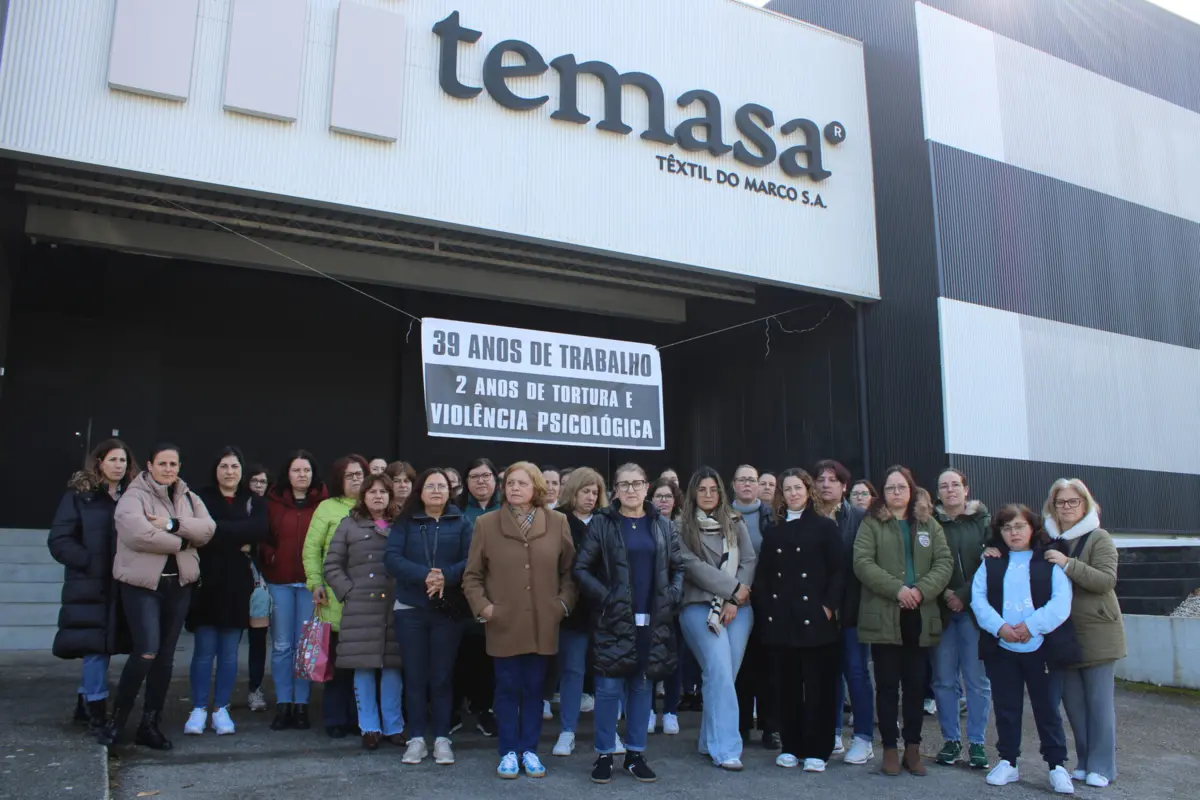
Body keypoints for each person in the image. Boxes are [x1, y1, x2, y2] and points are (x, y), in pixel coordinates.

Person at [462, 462, 578, 780]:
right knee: (507, 688)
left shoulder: (557, 522)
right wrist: (484, 608)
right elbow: (472, 576)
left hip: (544, 622)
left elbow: (570, 573)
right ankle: (508, 752)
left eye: (521, 483)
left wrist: (562, 605)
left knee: (534, 689)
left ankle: (530, 750)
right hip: (504, 623)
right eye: (509, 483)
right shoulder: (486, 524)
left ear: (536, 489)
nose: (513, 488)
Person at [99, 444, 215, 749]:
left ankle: (149, 724)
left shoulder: (188, 496)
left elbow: (208, 530)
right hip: (142, 587)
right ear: (150, 465)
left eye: (173, 463)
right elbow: (137, 534)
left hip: (179, 585)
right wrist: (182, 543)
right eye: (162, 463)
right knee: (146, 652)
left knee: (164, 657)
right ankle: (117, 721)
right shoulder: (133, 496)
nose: (168, 469)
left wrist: (171, 525)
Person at [575, 463, 683, 784]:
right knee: (608, 689)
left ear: (647, 487)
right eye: (624, 485)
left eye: (637, 483)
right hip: (613, 619)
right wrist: (606, 598)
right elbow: (581, 569)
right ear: (615, 490)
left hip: (653, 619)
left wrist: (672, 596)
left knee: (641, 686)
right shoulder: (603, 523)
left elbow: (678, 567)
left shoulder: (663, 525)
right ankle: (605, 754)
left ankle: (635, 753)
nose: (631, 490)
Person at [853, 465, 952, 777]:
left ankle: (913, 748)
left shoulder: (928, 523)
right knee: (886, 684)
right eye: (890, 487)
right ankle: (890, 749)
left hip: (919, 614)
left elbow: (944, 562)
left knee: (914, 685)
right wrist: (898, 589)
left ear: (911, 490)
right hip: (886, 611)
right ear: (883, 492)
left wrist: (921, 591)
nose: (896, 493)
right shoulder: (872, 523)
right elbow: (862, 562)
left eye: (901, 487)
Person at [972, 505, 1077, 795]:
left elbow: (1060, 601)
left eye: (1019, 526)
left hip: (1040, 646)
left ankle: (1056, 765)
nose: (1013, 532)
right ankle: (1008, 761)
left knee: (1047, 708)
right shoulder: (991, 562)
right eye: (1006, 527)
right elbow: (978, 600)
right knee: (1006, 707)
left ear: (1032, 528)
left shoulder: (1048, 560)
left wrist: (1032, 626)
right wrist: (1000, 628)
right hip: (1002, 646)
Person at [754, 468, 844, 772]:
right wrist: (768, 610)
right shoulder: (775, 530)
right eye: (787, 489)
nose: (793, 493)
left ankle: (819, 749)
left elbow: (838, 571)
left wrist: (828, 608)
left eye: (798, 488)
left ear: (808, 491)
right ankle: (791, 745)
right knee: (787, 686)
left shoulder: (824, 527)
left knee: (819, 688)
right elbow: (764, 576)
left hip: (816, 621)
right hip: (782, 621)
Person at [48, 439, 138, 734]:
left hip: (122, 584)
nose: (118, 466)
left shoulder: (133, 497)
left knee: (105, 647)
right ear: (99, 461)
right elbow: (60, 539)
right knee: (96, 648)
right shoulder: (80, 495)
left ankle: (84, 702)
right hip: (89, 586)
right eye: (112, 459)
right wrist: (89, 562)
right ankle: (97, 710)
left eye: (123, 461)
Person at [386, 468, 473, 765]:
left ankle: (442, 738)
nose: (436, 490)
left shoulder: (461, 522)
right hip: (411, 608)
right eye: (430, 486)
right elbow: (392, 558)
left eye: (442, 486)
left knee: (442, 676)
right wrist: (426, 576)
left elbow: (471, 560)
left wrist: (444, 577)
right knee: (415, 676)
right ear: (420, 491)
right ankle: (416, 738)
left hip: (447, 610)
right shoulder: (405, 522)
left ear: (450, 492)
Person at [1042, 479, 1124, 789]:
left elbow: (1105, 580)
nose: (1066, 507)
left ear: (1085, 504)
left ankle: (1103, 766)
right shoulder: (1048, 539)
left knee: (1099, 704)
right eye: (1060, 502)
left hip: (1099, 634)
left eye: (1072, 501)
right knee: (1074, 704)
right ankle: (1086, 761)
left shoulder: (1098, 537)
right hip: (1064, 635)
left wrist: (1068, 564)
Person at [676, 467, 756, 771]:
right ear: (693, 493)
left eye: (713, 489)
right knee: (720, 670)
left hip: (739, 608)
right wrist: (732, 590)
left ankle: (709, 739)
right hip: (699, 607)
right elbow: (692, 566)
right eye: (702, 490)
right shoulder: (680, 526)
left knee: (723, 676)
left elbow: (748, 560)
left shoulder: (736, 521)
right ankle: (726, 748)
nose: (708, 495)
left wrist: (736, 598)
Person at [185, 447, 269, 737]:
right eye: (224, 466)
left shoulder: (253, 501)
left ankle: (221, 709)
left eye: (234, 466)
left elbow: (259, 529)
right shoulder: (199, 497)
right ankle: (198, 709)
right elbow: (196, 530)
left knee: (230, 652)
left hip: (238, 583)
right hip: (205, 581)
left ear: (242, 470)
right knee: (204, 651)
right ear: (215, 469)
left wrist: (216, 532)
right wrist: (234, 535)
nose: (230, 471)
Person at [324, 473, 406, 750]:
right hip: (360, 608)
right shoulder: (349, 524)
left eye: (383, 492)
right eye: (372, 492)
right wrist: (348, 591)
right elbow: (332, 565)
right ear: (363, 496)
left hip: (393, 605)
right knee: (364, 668)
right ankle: (369, 726)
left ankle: (394, 726)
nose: (378, 496)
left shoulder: (400, 524)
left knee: (393, 667)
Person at [261, 450, 328, 732]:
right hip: (280, 582)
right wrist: (270, 556)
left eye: (307, 470)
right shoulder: (272, 503)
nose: (302, 475)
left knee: (306, 646)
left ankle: (302, 705)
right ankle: (283, 704)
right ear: (287, 474)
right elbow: (261, 536)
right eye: (296, 470)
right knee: (281, 646)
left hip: (311, 585)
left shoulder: (324, 504)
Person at [302, 454, 368, 738]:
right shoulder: (327, 508)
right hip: (334, 596)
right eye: (350, 475)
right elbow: (311, 549)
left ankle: (360, 718)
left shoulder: (375, 505)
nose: (356, 479)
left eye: (360, 474)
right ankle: (334, 719)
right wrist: (314, 582)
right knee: (337, 665)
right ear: (339, 480)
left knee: (362, 665)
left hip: (368, 598)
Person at [812, 459, 871, 763]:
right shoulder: (807, 518)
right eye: (820, 479)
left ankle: (863, 736)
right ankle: (832, 732)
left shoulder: (860, 518)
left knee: (856, 672)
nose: (825, 484)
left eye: (832, 480)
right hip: (819, 610)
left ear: (844, 486)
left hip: (851, 608)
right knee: (828, 674)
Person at [931, 468, 991, 769]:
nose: (950, 490)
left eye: (955, 485)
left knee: (976, 680)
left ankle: (977, 743)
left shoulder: (983, 523)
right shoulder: (930, 523)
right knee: (943, 680)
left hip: (973, 613)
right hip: (941, 612)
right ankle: (951, 740)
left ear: (966, 490)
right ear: (937, 492)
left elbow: (991, 562)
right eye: (944, 486)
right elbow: (925, 563)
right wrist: (945, 594)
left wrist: (963, 595)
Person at [552, 467, 609, 757]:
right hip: (572, 610)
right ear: (572, 491)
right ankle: (567, 731)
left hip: (604, 609)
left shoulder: (607, 520)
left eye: (594, 491)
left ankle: (609, 732)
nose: (590, 497)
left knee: (605, 672)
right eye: (584, 491)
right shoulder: (558, 519)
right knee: (572, 671)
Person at [729, 464, 776, 748]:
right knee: (740, 663)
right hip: (735, 597)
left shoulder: (770, 516)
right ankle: (741, 724)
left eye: (752, 480)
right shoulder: (724, 515)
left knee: (770, 663)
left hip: (768, 599)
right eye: (742, 480)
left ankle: (772, 726)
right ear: (733, 484)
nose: (747, 484)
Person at [454, 457, 502, 738]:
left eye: (486, 475)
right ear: (466, 482)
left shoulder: (507, 510)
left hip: (498, 595)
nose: (481, 481)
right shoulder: (456, 511)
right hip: (462, 594)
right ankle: (458, 710)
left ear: (496, 480)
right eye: (474, 476)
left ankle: (486, 710)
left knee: (489, 657)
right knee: (462, 654)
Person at [649, 477, 690, 727]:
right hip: (649, 603)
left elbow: (681, 566)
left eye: (668, 496)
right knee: (650, 658)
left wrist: (673, 593)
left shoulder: (685, 526)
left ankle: (671, 711)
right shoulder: (644, 524)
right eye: (658, 496)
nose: (663, 500)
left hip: (675, 602)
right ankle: (650, 711)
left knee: (674, 658)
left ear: (675, 501)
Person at [243, 464, 270, 712]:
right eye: (255, 481)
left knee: (258, 638)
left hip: (261, 579)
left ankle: (255, 688)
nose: (259, 486)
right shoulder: (243, 504)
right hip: (238, 576)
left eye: (263, 482)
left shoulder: (267, 506)